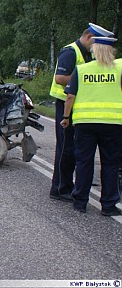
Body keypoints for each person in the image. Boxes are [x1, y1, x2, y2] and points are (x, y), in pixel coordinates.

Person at [48, 23, 112, 201]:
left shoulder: (84, 53)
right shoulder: (71, 51)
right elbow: (60, 78)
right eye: (97, 42)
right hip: (64, 103)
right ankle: (59, 188)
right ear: (89, 37)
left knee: (76, 148)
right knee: (66, 148)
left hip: (77, 105)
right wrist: (84, 77)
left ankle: (71, 184)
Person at [60, 36, 122, 215]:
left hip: (85, 123)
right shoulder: (120, 68)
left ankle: (80, 201)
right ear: (111, 51)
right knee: (110, 164)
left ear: (94, 50)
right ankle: (109, 205)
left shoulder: (82, 69)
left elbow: (70, 96)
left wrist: (66, 117)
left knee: (84, 162)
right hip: (113, 123)